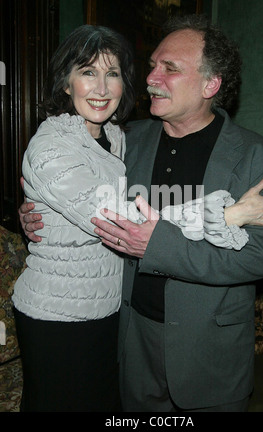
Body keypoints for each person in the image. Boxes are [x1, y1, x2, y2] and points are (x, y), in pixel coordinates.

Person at [18, 16, 263, 412]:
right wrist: (35, 213)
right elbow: (91, 201)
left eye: (170, 69)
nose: (151, 78)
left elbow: (256, 258)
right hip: (127, 339)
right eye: (151, 66)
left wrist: (156, 244)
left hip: (206, 354)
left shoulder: (258, 159)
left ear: (211, 84)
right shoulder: (130, 138)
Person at [12, 24, 137, 412]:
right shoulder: (51, 148)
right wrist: (227, 213)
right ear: (66, 83)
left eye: (111, 73)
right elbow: (121, 222)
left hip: (106, 307)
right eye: (87, 72)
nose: (101, 87)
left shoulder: (117, 136)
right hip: (57, 314)